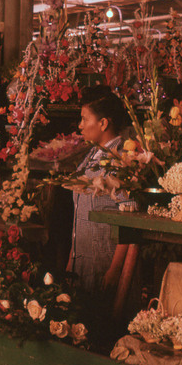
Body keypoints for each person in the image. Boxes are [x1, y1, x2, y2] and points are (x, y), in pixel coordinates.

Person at [66, 85, 129, 295]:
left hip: (104, 267)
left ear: (103, 123)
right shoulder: (91, 155)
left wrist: (115, 270)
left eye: (85, 119)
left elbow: (130, 219)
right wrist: (71, 261)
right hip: (82, 264)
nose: (80, 125)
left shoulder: (122, 159)